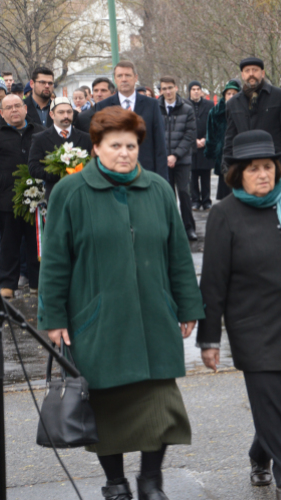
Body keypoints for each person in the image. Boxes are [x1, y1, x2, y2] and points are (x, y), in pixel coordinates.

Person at [39, 106, 205, 500]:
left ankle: (151, 481)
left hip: (154, 316)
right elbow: (55, 260)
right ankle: (116, 484)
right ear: (96, 147)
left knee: (162, 406)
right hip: (98, 319)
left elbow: (178, 254)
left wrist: (187, 305)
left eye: (131, 145)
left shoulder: (159, 189)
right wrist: (53, 317)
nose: (124, 153)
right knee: (107, 408)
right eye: (115, 145)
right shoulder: (70, 192)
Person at [198, 130, 281, 500]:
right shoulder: (224, 215)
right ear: (237, 173)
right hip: (253, 330)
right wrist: (209, 339)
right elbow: (213, 281)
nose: (263, 174)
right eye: (253, 168)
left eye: (268, 167)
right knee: (273, 403)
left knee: (280, 402)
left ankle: (260, 453)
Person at [222, 57, 281, 179]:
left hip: (274, 164)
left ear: (262, 73)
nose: (251, 74)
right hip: (245, 165)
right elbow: (230, 136)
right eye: (247, 71)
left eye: (255, 70)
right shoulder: (233, 103)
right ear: (242, 75)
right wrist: (226, 163)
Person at [95, 61, 168, 180]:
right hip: (113, 174)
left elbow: (160, 144)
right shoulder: (103, 106)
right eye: (120, 76)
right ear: (115, 79)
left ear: (135, 78)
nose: (124, 79)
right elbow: (99, 143)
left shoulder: (152, 105)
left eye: (128, 75)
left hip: (146, 172)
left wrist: (161, 180)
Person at [0, 94, 41, 299]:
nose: (14, 110)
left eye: (17, 106)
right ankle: (8, 283)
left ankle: (37, 283)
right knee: (8, 245)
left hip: (37, 200)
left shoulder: (39, 132)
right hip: (7, 200)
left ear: (25, 108)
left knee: (36, 244)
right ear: (1, 113)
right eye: (9, 107)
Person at [28, 97, 93, 200]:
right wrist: (61, 172)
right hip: (56, 195)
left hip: (82, 195)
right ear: (52, 115)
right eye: (61, 112)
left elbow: (94, 164)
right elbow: (33, 168)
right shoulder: (40, 138)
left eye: (69, 112)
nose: (66, 116)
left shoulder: (86, 138)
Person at [158, 76, 198, 241]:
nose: (167, 91)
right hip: (162, 160)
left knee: (184, 192)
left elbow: (190, 135)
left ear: (176, 88)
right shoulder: (156, 108)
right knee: (167, 196)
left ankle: (189, 228)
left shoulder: (187, 109)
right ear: (160, 91)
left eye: (170, 88)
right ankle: (169, 228)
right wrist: (164, 156)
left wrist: (175, 155)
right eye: (164, 89)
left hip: (182, 160)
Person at [205, 79, 241, 201]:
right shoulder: (215, 112)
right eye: (228, 93)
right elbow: (211, 134)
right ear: (224, 95)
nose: (231, 96)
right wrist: (211, 152)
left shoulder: (244, 110)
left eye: (234, 93)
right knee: (225, 192)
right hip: (223, 155)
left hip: (240, 154)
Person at [186, 80, 215, 210]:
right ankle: (195, 200)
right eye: (193, 89)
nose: (196, 91)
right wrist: (194, 141)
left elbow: (213, 123)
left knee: (205, 175)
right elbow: (183, 125)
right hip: (190, 146)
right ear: (190, 91)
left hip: (205, 145)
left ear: (201, 91)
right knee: (192, 175)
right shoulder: (184, 104)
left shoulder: (209, 104)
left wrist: (205, 139)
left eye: (198, 89)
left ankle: (206, 200)